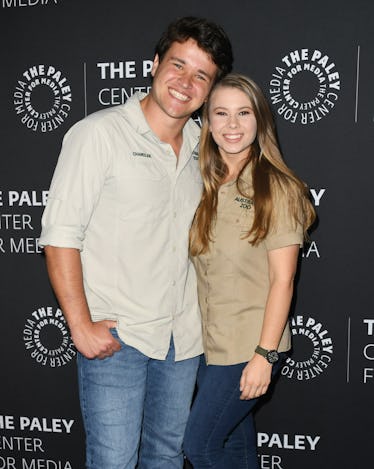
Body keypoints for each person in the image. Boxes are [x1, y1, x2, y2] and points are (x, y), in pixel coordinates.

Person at [39, 17, 233, 469]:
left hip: (182, 340)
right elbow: (60, 236)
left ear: (210, 89)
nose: (185, 83)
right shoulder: (98, 135)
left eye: (201, 75)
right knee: (113, 462)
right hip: (118, 338)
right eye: (177, 65)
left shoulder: (207, 148)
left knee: (165, 458)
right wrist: (80, 326)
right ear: (154, 64)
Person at [183, 73, 316, 468]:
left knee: (200, 446)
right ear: (207, 121)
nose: (233, 125)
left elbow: (283, 280)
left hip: (248, 347)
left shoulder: (277, 187)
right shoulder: (200, 183)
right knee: (236, 448)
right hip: (207, 346)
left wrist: (264, 355)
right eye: (221, 113)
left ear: (260, 120)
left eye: (244, 113)